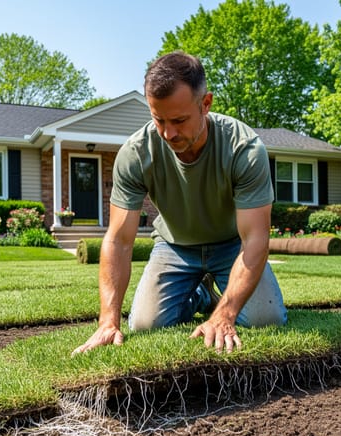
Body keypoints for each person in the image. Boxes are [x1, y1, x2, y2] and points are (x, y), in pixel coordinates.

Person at [72, 51, 287, 355]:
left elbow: (255, 240)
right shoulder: (136, 153)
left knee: (267, 319)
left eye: (179, 120)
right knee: (146, 325)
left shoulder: (244, 148)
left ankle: (220, 299)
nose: (168, 133)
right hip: (175, 246)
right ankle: (201, 296)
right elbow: (119, 240)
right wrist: (108, 320)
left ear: (206, 104)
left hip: (232, 246)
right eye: (158, 119)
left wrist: (225, 316)